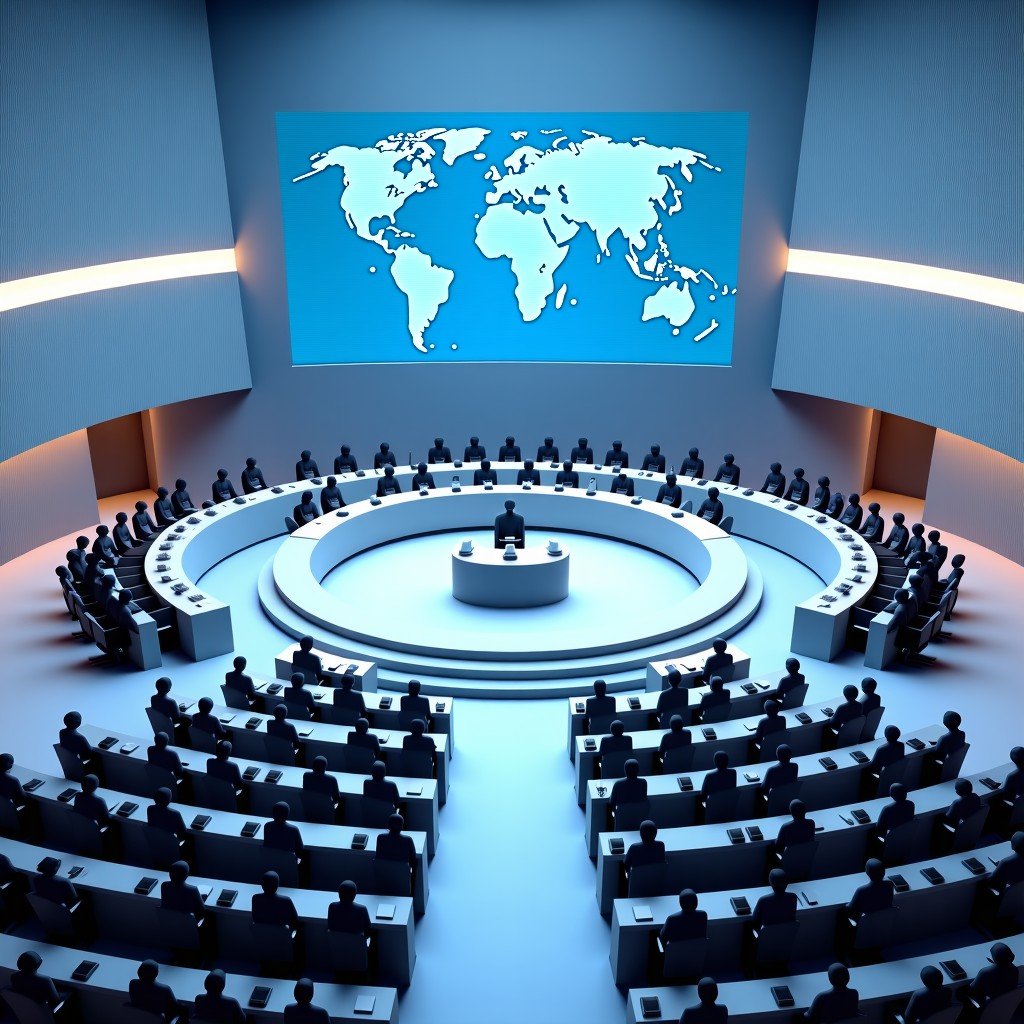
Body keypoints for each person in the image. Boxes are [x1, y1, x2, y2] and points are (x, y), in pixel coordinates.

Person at [968, 942, 1019, 1007]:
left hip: (990, 1005)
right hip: (1008, 1004)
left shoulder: (985, 972)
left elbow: (972, 989)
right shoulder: (1014, 969)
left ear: (994, 958)